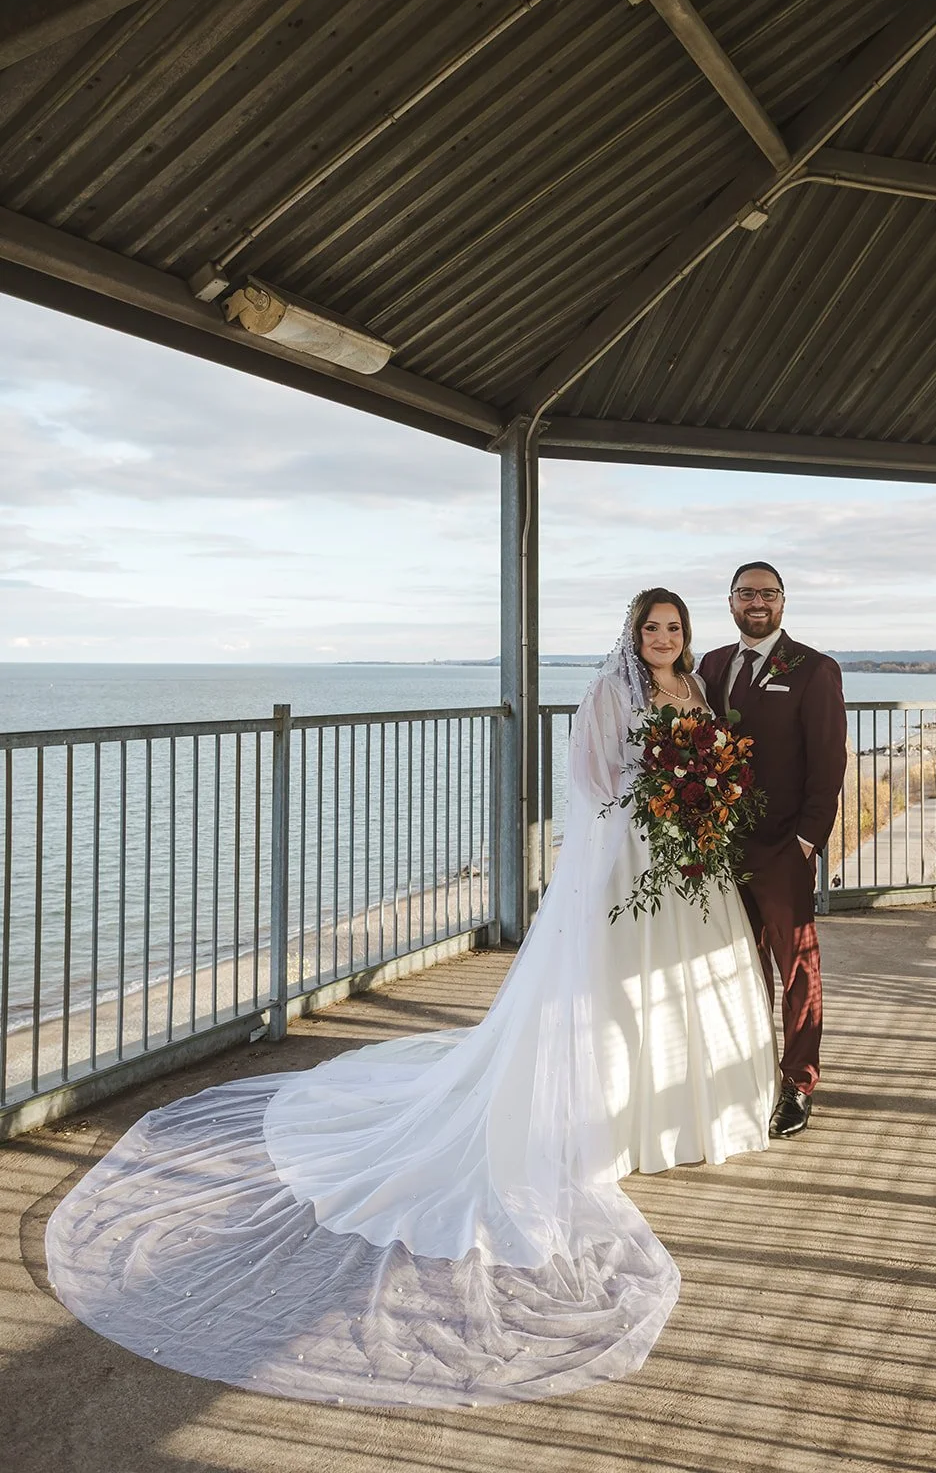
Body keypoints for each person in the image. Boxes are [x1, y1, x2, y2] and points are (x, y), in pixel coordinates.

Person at [45, 591, 775, 1409]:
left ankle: (674, 1107)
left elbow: (711, 760)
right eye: (653, 628)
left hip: (685, 858)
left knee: (674, 985)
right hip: (627, 856)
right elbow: (591, 780)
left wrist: (698, 804)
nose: (665, 639)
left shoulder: (699, 691)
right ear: (634, 635)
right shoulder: (613, 693)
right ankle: (607, 1114)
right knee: (605, 990)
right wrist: (649, 812)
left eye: (674, 628)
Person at [699, 563, 847, 1139]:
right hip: (719, 850)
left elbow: (828, 762)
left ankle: (799, 1082)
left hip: (785, 848)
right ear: (730, 602)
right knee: (736, 965)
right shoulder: (710, 665)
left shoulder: (813, 669)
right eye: (745, 593)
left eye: (767, 593)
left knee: (798, 970)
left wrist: (808, 841)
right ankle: (748, 1071)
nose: (756, 602)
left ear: (783, 601)